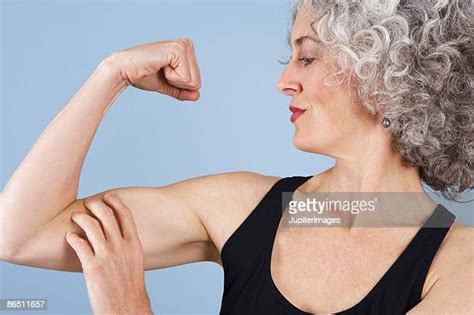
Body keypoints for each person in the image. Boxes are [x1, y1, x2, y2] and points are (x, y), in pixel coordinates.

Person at [1, 0, 473, 314]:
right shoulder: (244, 208)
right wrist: (111, 74)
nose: (284, 81)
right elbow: (21, 234)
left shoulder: (459, 264)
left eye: (306, 58)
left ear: (387, 75)